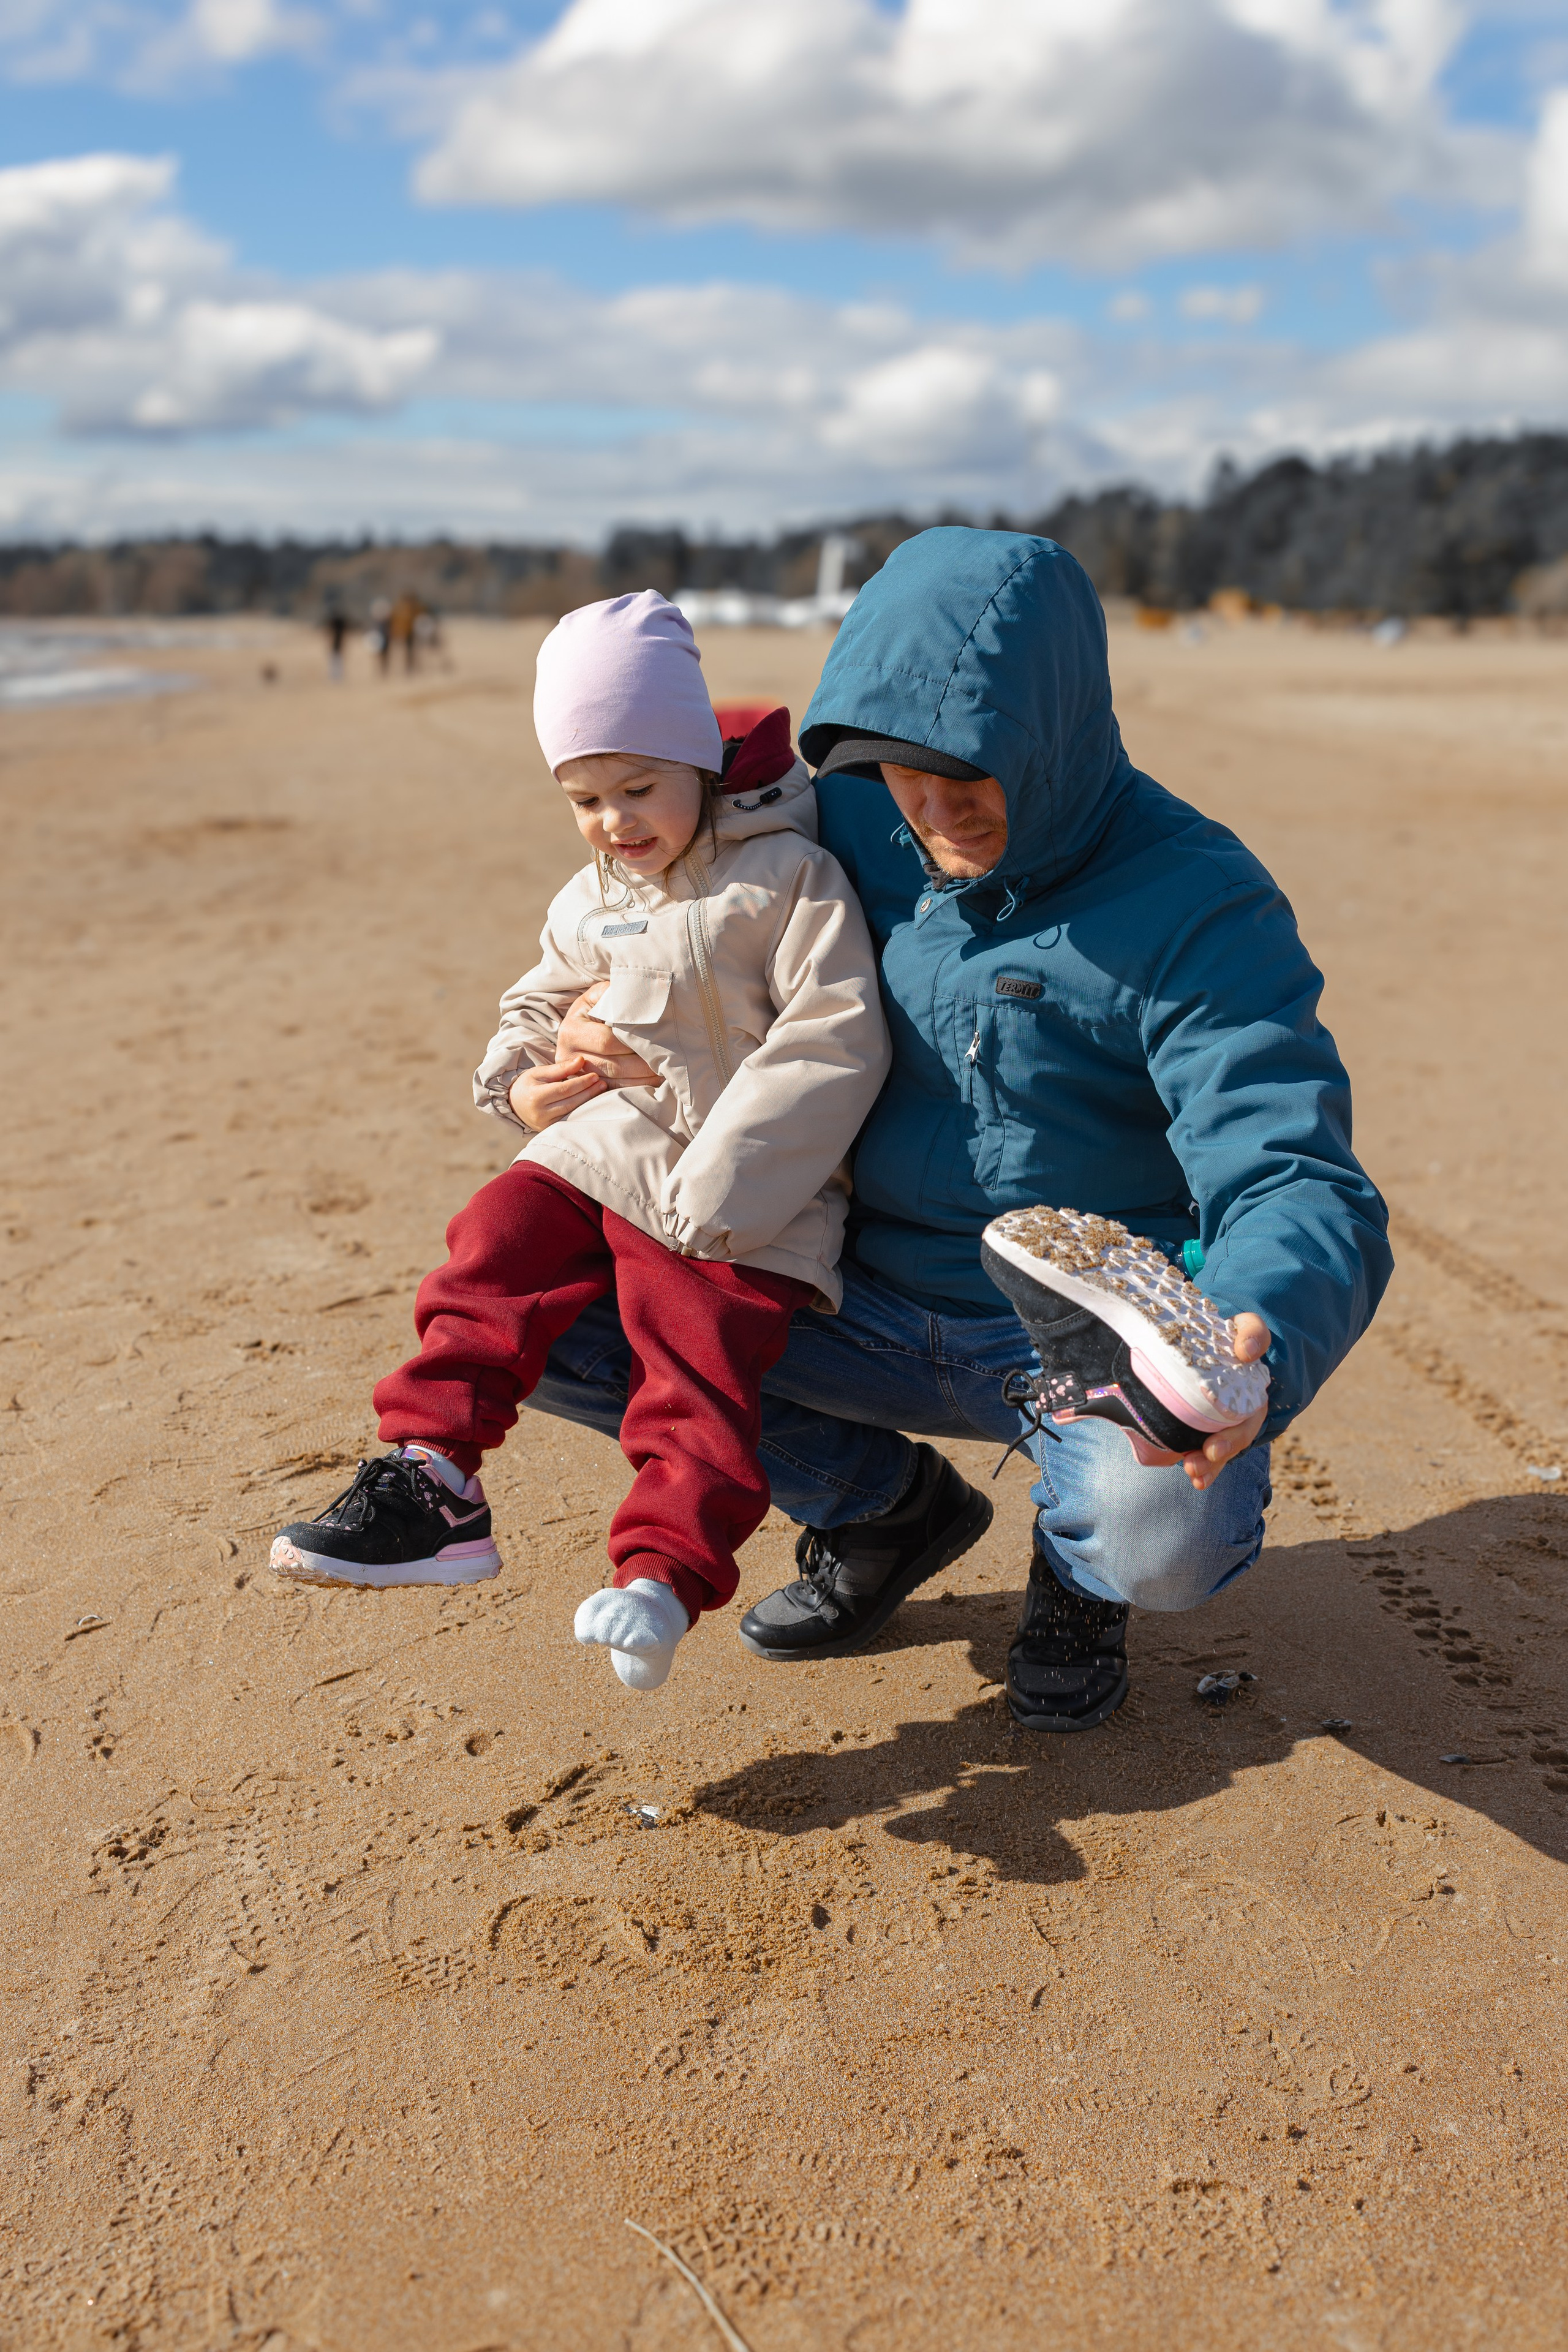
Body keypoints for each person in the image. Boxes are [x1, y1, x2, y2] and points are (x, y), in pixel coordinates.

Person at [524, 530, 1393, 1732]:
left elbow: (1292, 1173)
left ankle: (1080, 1573)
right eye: (894, 774)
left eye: (965, 778)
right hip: (838, 1288)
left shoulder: (1198, 901)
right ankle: (883, 1511)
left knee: (1159, 1538)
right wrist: (592, 1032)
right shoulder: (834, 824)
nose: (929, 812)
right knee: (547, 1304)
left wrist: (1254, 1342)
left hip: (1072, 1337)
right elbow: (661, 852)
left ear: (1048, 737)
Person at [270, 592, 893, 1692]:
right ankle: (433, 1475)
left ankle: (659, 1577)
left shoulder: (787, 880)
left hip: (744, 1191)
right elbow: (534, 1001)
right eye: (586, 799)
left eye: (639, 788)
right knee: (493, 1233)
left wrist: (719, 1194)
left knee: (690, 1370)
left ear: (700, 760)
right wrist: (526, 1083)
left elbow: (833, 1042)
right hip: (606, 1153)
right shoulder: (595, 895)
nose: (615, 821)